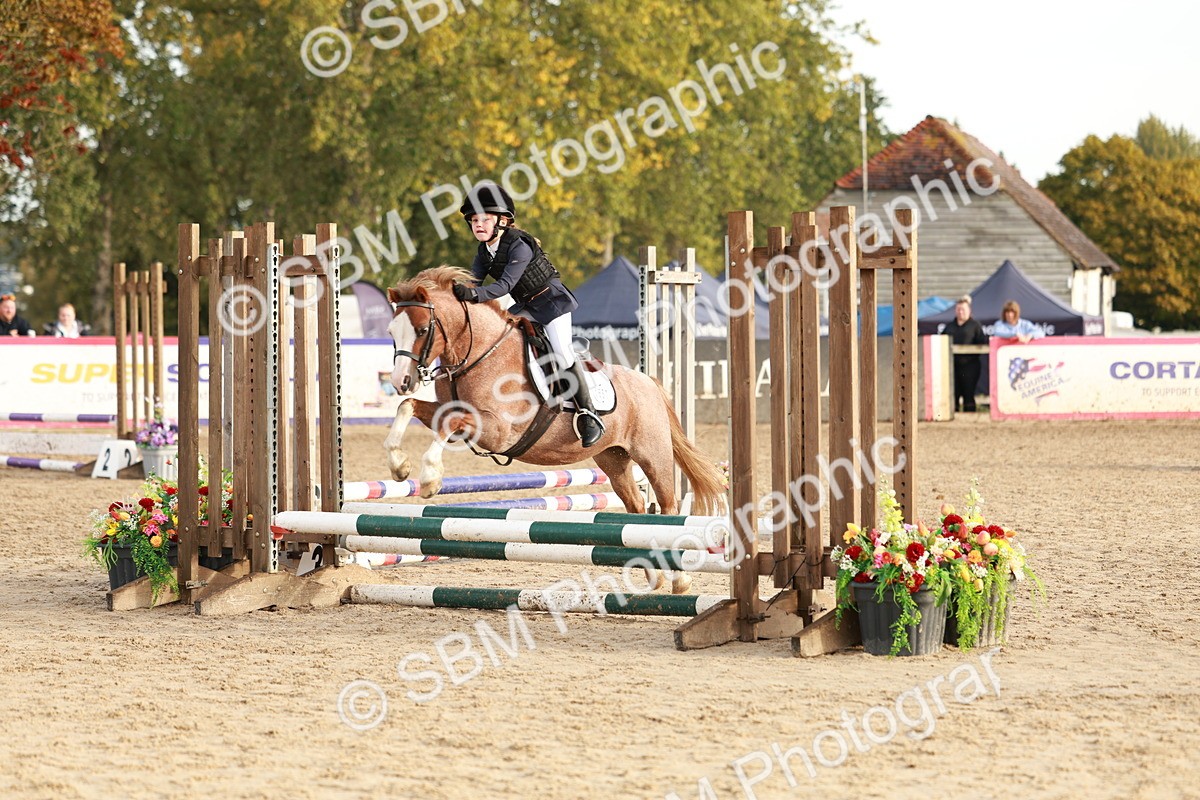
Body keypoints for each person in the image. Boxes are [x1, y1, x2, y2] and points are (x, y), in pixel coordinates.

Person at [453, 182, 605, 448]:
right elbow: (473, 282)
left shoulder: (519, 245)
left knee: (561, 351)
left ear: (502, 221)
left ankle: (588, 414)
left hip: (551, 303)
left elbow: (503, 287)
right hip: (524, 305)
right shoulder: (483, 251)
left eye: (484, 219)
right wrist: (454, 292)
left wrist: (474, 296)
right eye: (474, 220)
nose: (478, 224)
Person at [945, 295, 988, 412]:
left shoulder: (975, 326)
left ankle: (969, 418)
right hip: (952, 366)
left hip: (970, 366)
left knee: (968, 392)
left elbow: (983, 342)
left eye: (963, 309)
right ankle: (954, 416)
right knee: (954, 393)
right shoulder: (949, 327)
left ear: (969, 311)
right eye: (958, 309)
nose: (960, 312)